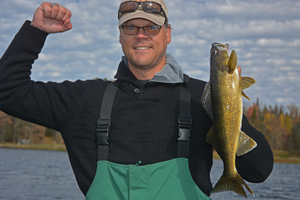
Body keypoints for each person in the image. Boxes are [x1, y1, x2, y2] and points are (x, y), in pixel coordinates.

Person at [0, 0, 273, 199]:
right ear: (120, 36)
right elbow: (7, 91)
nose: (141, 34)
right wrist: (36, 31)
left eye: (152, 27)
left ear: (168, 34)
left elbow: (259, 171)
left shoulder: (203, 96)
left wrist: (226, 101)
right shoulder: (84, 99)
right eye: (130, 27)